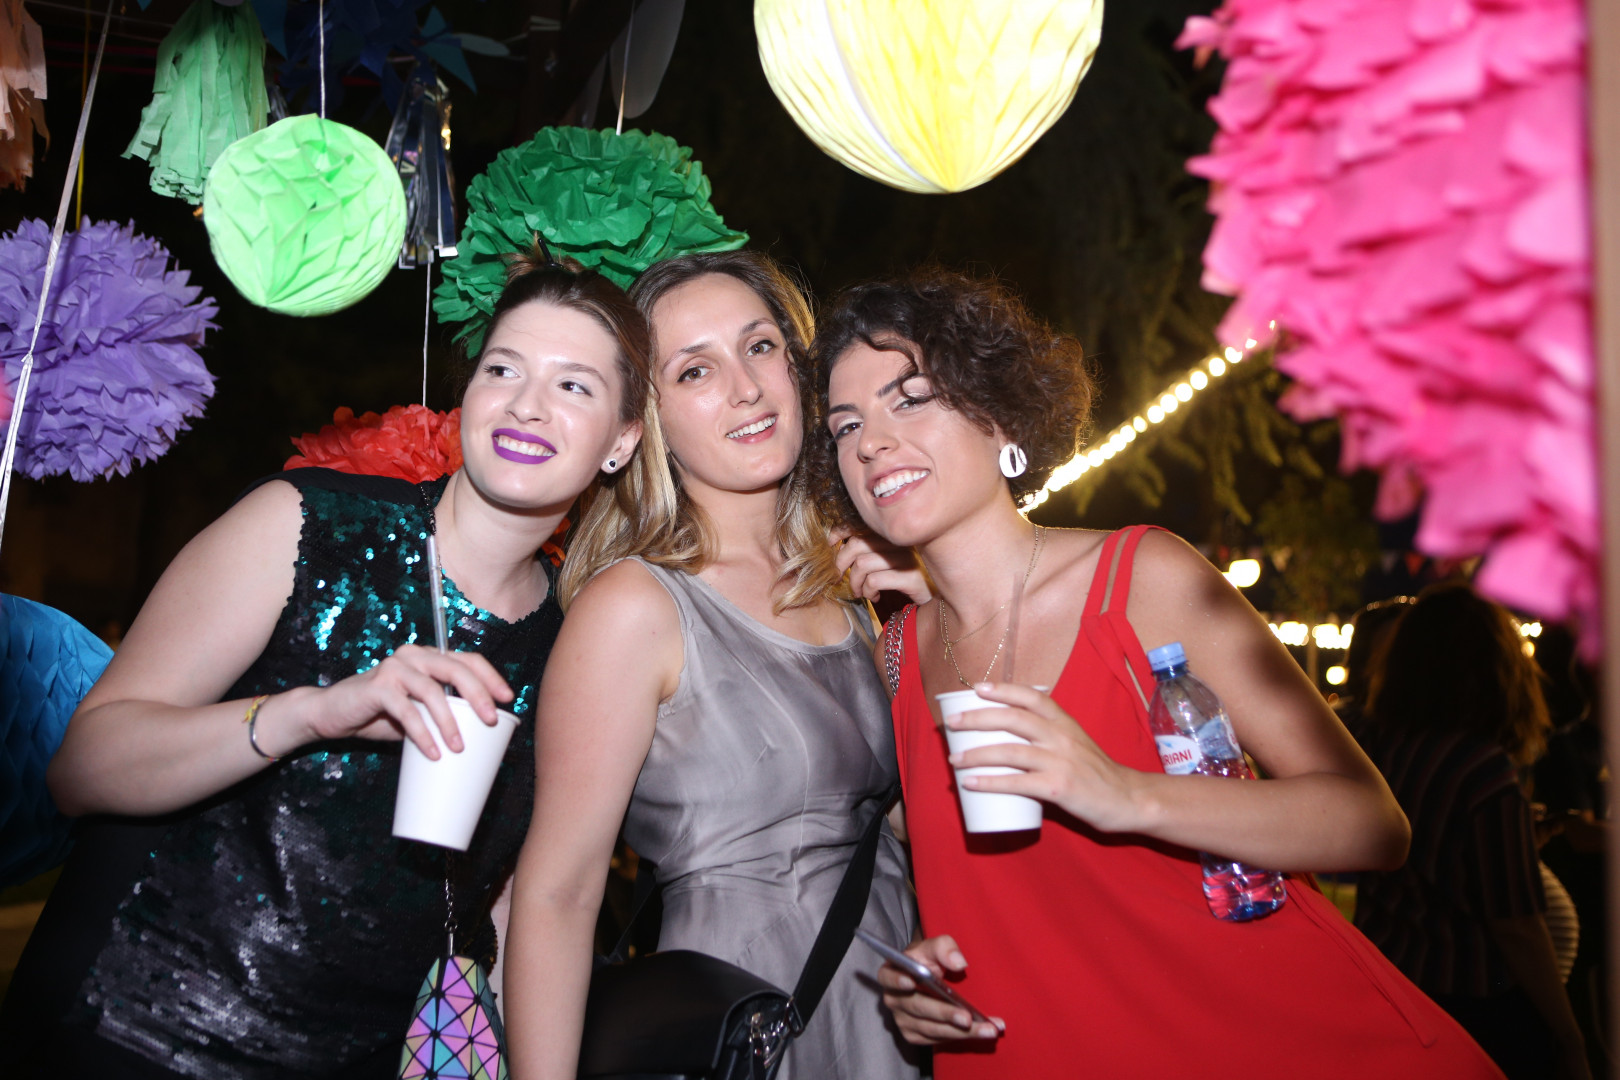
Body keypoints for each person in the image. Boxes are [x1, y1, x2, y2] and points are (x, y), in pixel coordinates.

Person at [806, 267, 1506, 1078]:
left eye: (911, 398)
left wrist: (1124, 794)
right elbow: (987, 889)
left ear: (999, 418)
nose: (871, 442)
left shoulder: (1142, 581)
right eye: (846, 425)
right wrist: (919, 973)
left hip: (1272, 1044)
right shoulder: (897, 657)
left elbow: (1371, 824)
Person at [0, 251, 649, 1079]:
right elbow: (83, 770)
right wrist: (309, 712)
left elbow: (526, 905)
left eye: (574, 386)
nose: (527, 403)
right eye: (503, 368)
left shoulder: (575, 648)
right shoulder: (303, 523)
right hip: (133, 1036)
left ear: (621, 441)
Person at [504, 251, 922, 1080]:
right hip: (746, 1022)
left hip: (896, 1007)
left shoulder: (846, 584)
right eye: (695, 370)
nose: (746, 388)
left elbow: (912, 824)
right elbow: (557, 896)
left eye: (760, 347)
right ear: (647, 421)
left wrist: (938, 618)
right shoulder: (634, 607)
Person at [1356, 584, 1591, 1080]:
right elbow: (1516, 924)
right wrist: (1570, 1037)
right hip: (1473, 1007)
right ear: (1496, 670)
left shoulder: (1383, 750)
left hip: (1395, 988)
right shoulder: (1483, 771)